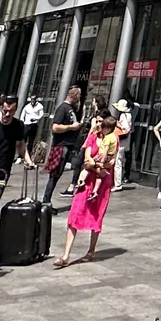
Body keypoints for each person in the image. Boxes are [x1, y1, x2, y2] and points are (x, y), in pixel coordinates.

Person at [55, 111, 118, 268]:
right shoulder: (92, 137)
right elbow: (87, 160)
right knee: (75, 213)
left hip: (102, 184)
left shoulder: (113, 139)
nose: (98, 125)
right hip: (88, 181)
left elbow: (111, 162)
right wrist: (97, 168)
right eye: (96, 121)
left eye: (101, 122)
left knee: (97, 214)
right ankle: (66, 255)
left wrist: (97, 167)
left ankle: (91, 250)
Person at [44, 84, 86, 201]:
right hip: (61, 145)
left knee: (77, 164)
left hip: (69, 145)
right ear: (75, 95)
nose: (80, 98)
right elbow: (55, 127)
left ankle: (73, 187)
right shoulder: (62, 108)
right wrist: (71, 127)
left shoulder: (71, 109)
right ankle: (46, 201)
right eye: (79, 96)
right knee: (55, 174)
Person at [113, 99, 133, 189]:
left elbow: (125, 128)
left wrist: (117, 124)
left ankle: (117, 183)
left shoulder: (124, 115)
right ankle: (117, 182)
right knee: (118, 161)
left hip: (121, 141)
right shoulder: (128, 115)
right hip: (124, 141)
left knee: (118, 161)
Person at [20, 91, 46, 161]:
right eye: (32, 99)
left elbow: (41, 114)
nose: (33, 100)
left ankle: (28, 156)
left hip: (34, 124)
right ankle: (20, 156)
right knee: (23, 140)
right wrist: (22, 121)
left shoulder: (40, 106)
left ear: (36, 99)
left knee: (31, 141)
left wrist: (36, 118)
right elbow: (23, 114)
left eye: (34, 99)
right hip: (26, 124)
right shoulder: (27, 106)